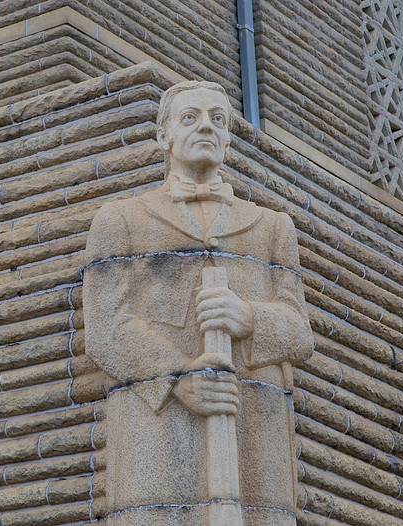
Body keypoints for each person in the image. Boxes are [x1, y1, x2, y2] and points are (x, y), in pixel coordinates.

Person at [83, 81, 313, 525]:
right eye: (190, 118)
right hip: (156, 427)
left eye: (218, 120)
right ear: (163, 134)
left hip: (254, 430)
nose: (206, 126)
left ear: (228, 137)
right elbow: (106, 325)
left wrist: (248, 317)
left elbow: (299, 331)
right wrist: (177, 377)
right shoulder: (120, 220)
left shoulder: (272, 226)